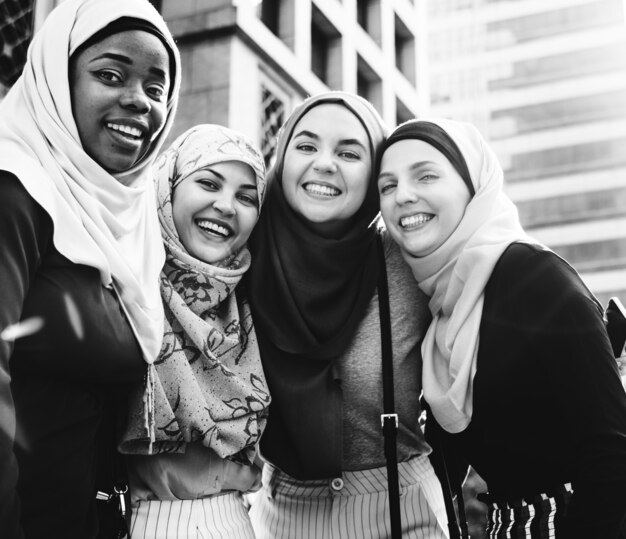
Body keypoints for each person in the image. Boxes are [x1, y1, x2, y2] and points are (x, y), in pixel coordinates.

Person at [377, 118, 626, 538]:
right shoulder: (443, 310)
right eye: (387, 185)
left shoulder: (533, 275)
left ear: (474, 188)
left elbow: (613, 451)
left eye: (426, 175)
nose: (403, 195)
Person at [0, 0, 180, 536]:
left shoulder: (136, 221)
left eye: (156, 88)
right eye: (109, 74)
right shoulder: (16, 192)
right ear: (58, 80)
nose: (138, 102)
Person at [246, 91, 448, 539]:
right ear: (281, 158)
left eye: (349, 152)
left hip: (403, 510)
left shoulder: (408, 253)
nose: (324, 163)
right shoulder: (243, 256)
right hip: (282, 515)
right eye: (306, 146)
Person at [119, 124, 271, 538]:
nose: (226, 206)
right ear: (166, 187)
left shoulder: (253, 300)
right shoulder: (120, 284)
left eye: (246, 196)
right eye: (208, 182)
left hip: (236, 522)